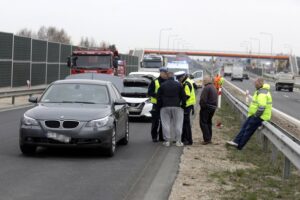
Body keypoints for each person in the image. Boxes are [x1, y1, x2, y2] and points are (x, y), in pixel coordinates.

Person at [227, 78, 272, 150]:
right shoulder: (260, 91)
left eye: (255, 83)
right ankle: (235, 142)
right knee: (244, 127)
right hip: (256, 115)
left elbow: (261, 107)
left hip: (260, 116)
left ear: (259, 83)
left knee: (248, 130)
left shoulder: (262, 93)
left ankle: (239, 146)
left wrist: (256, 116)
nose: (254, 85)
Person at [157, 71, 186, 147]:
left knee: (165, 124)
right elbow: (183, 96)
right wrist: (183, 105)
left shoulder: (162, 85)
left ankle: (167, 141)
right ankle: (178, 141)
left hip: (165, 107)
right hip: (177, 107)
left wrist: (159, 106)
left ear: (167, 77)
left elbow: (158, 97)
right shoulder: (179, 85)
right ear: (174, 77)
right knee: (178, 124)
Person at [175, 71, 196, 145]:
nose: (178, 80)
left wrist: (180, 102)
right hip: (189, 105)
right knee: (185, 123)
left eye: (178, 79)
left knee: (186, 124)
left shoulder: (186, 84)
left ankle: (188, 140)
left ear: (182, 77)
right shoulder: (187, 81)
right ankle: (184, 139)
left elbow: (186, 96)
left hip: (187, 105)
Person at [147, 67, 168, 142]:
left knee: (163, 122)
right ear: (161, 73)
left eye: (166, 73)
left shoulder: (168, 82)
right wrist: (157, 95)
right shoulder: (155, 81)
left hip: (164, 105)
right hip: (156, 105)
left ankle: (161, 137)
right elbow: (149, 92)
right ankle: (154, 137)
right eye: (164, 73)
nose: (165, 74)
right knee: (155, 122)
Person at [199, 75, 218, 145]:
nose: (203, 82)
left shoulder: (206, 88)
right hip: (213, 108)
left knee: (203, 123)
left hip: (206, 108)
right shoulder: (213, 87)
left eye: (204, 80)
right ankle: (209, 138)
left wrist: (202, 107)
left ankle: (206, 139)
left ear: (206, 81)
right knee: (208, 123)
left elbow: (203, 100)